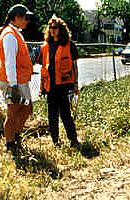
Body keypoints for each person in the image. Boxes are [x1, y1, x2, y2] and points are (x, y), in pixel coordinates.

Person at [0, 4, 34, 153]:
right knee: (13, 112)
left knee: (26, 109)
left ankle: (15, 137)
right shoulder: (10, 35)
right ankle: (10, 143)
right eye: (26, 18)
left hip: (18, 80)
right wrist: (13, 86)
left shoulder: (15, 32)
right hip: (12, 81)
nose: (27, 21)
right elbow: (10, 62)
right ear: (17, 18)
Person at [39, 15, 80, 148]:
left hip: (63, 86)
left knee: (66, 114)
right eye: (50, 27)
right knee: (52, 115)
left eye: (55, 27)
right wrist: (41, 87)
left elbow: (74, 66)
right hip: (50, 86)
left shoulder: (69, 45)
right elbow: (43, 68)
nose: (52, 30)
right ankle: (55, 141)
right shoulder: (45, 46)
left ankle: (73, 140)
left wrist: (75, 84)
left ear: (61, 29)